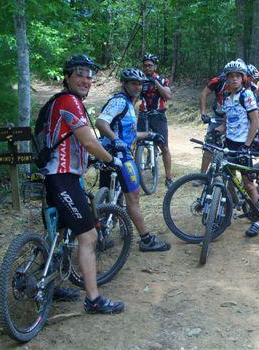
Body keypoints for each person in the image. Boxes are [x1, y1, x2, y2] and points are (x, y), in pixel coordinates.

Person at [43, 55, 124, 313]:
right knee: (88, 236)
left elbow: (75, 143)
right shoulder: (70, 102)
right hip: (63, 178)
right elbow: (89, 141)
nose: (86, 80)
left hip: (58, 176)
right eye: (80, 74)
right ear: (67, 76)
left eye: (90, 76)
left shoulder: (63, 101)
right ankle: (93, 299)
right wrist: (112, 160)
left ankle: (50, 284)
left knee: (59, 233)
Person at [96, 68, 171, 252]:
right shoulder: (119, 101)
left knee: (109, 198)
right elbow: (101, 123)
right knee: (133, 197)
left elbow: (128, 133)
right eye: (133, 83)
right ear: (124, 84)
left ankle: (101, 235)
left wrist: (150, 134)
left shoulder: (129, 104)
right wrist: (116, 140)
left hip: (111, 153)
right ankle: (146, 240)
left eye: (140, 84)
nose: (138, 87)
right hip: (119, 154)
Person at [218, 60, 259, 236]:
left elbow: (255, 120)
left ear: (243, 78)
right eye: (231, 76)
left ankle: (257, 219)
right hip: (229, 143)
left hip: (244, 144)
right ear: (227, 79)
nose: (234, 79)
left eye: (237, 76)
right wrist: (217, 131)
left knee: (248, 184)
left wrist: (247, 145)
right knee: (229, 179)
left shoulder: (247, 95)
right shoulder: (227, 98)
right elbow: (227, 121)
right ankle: (229, 213)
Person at [140, 53, 174, 187]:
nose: (147, 68)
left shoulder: (161, 79)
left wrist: (155, 82)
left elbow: (168, 95)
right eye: (145, 66)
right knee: (136, 142)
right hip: (143, 115)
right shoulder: (139, 79)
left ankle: (168, 177)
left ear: (155, 66)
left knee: (164, 147)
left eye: (150, 65)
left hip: (158, 115)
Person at [198, 67, 228, 176]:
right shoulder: (218, 81)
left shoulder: (244, 82)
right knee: (209, 146)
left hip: (234, 119)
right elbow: (203, 94)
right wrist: (203, 113)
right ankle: (202, 176)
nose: (233, 77)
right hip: (218, 116)